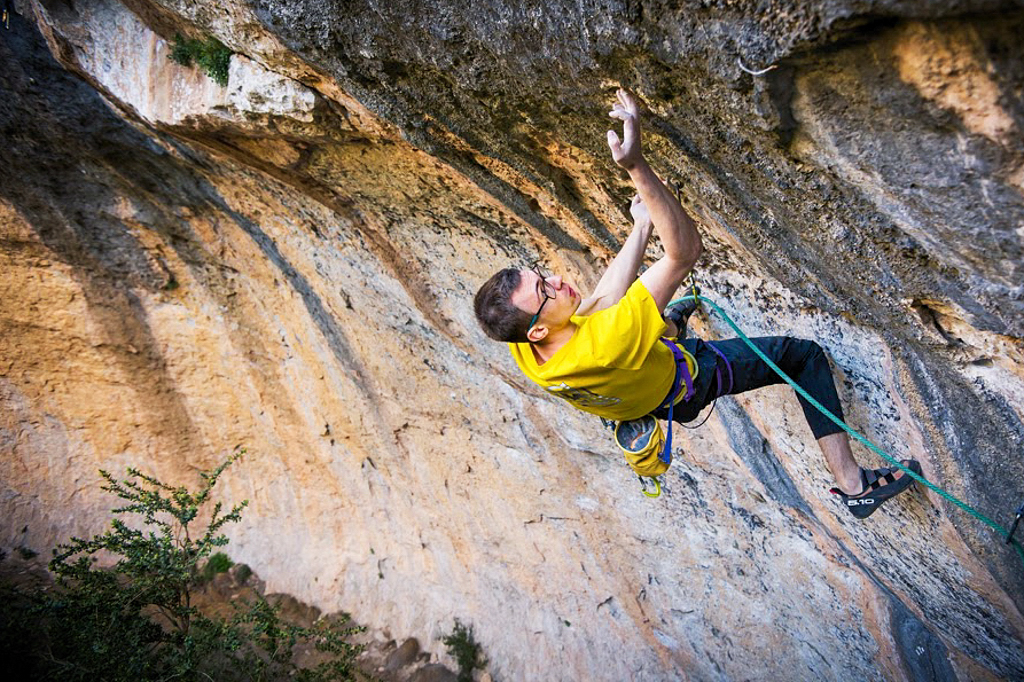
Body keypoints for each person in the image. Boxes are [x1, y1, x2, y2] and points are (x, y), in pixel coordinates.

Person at [473, 89, 920, 518]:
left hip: (636, 388)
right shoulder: (605, 344)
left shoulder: (523, 344)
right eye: (545, 291)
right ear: (536, 329)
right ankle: (855, 487)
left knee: (650, 323)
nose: (556, 281)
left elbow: (603, 301)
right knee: (802, 357)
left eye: (541, 273)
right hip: (687, 381)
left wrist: (641, 227)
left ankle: (667, 324)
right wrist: (637, 167)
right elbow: (683, 254)